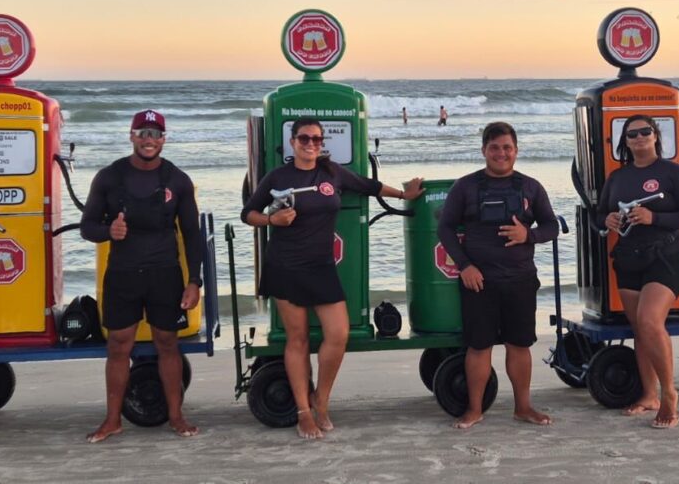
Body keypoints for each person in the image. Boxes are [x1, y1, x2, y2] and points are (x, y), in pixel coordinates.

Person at [242, 117, 424, 439]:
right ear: (292, 142)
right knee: (297, 339)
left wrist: (404, 195)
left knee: (338, 333)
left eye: (316, 139)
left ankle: (321, 400)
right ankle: (303, 412)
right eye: (304, 138)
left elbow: (368, 185)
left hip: (321, 266)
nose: (310, 144)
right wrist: (272, 220)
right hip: (284, 265)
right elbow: (248, 213)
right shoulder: (278, 176)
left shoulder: (332, 172)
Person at [80, 110, 203, 443]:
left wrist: (195, 282)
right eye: (143, 133)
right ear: (131, 136)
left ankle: (176, 416)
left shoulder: (178, 180)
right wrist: (108, 231)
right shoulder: (108, 177)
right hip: (122, 274)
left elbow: (192, 234)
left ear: (164, 139)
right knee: (119, 345)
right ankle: (112, 420)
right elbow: (87, 227)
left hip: (164, 273)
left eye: (155, 134)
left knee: (167, 343)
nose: (149, 140)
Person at [437, 121, 558, 429]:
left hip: (520, 278)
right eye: (494, 148)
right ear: (484, 151)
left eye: (507, 148)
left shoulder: (531, 187)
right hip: (478, 281)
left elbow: (551, 226)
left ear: (516, 151)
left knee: (519, 345)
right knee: (479, 346)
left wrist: (528, 235)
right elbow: (445, 228)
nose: (501, 153)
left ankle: (523, 407)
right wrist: (465, 265)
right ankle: (474, 409)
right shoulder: (465, 187)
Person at [598, 115, 679, 429]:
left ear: (656, 136)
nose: (640, 137)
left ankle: (669, 394)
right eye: (632, 134)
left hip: (668, 257)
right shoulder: (617, 177)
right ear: (625, 142)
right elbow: (599, 213)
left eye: (645, 131)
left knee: (649, 321)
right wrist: (608, 220)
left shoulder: (674, 172)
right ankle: (648, 395)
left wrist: (654, 218)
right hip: (629, 258)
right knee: (640, 329)